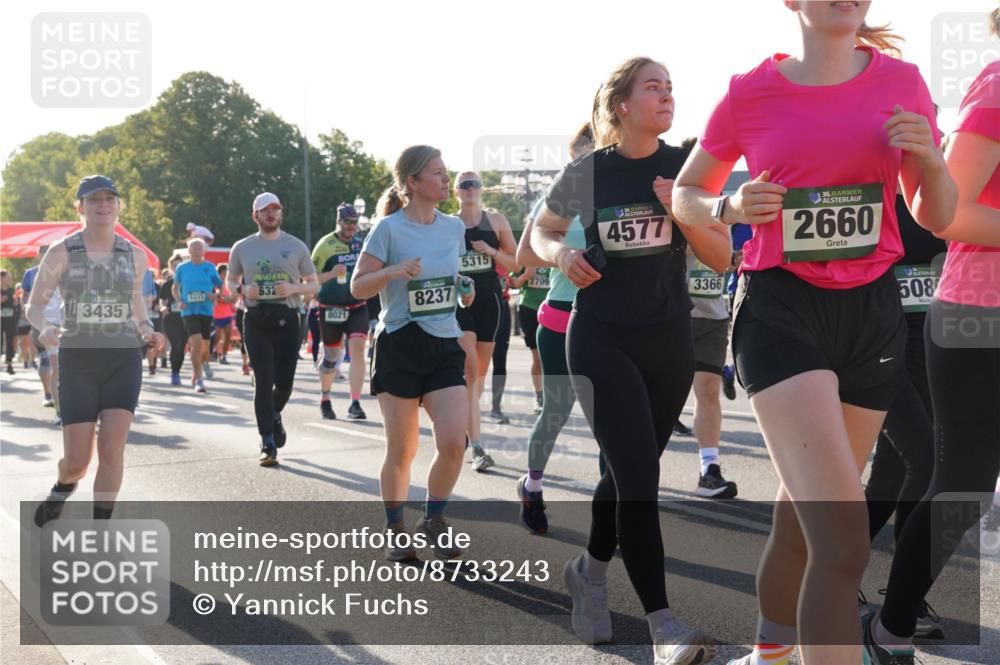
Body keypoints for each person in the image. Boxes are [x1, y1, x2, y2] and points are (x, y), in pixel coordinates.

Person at [672, 4, 957, 662]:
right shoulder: (750, 92)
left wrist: (934, 163)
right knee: (842, 538)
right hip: (782, 312)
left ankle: (768, 653)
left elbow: (938, 214)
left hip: (872, 315)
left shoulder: (903, 82)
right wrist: (727, 207)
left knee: (801, 520)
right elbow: (687, 192)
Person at [529, 58, 731, 665]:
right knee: (641, 479)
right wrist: (560, 255)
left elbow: (721, 258)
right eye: (653, 87)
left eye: (670, 88)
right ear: (621, 104)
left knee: (625, 472)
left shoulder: (686, 167)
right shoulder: (589, 171)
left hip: (669, 336)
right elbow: (539, 231)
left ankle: (588, 572)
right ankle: (664, 624)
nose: (666, 96)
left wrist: (681, 213)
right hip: (599, 337)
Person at [866, 11, 999, 664]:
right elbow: (945, 211)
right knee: (963, 483)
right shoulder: (997, 88)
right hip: (982, 316)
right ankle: (888, 629)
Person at [352, 145, 475, 561]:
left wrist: (464, 287)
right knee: (402, 450)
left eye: (446, 172)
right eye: (438, 173)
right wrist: (391, 271)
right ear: (413, 183)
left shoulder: (454, 228)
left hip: (444, 342)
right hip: (399, 344)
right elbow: (358, 286)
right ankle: (396, 530)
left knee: (453, 442)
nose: (446, 179)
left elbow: (454, 275)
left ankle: (434, 520)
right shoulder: (387, 229)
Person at [29, 175, 165, 526]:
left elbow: (134, 301)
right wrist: (44, 328)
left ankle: (100, 530)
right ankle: (62, 488)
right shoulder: (62, 251)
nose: (103, 205)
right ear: (80, 208)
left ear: (118, 206)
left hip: (122, 358)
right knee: (77, 462)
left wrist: (149, 329)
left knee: (111, 448)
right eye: (94, 200)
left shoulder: (134, 256)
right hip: (78, 360)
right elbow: (35, 305)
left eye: (110, 199)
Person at [515, 123, 598, 535]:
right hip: (562, 314)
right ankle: (532, 485)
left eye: (592, 157)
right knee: (558, 410)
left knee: (609, 416)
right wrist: (566, 256)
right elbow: (524, 253)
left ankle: (610, 507)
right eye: (577, 160)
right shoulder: (559, 198)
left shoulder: (622, 195)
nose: (583, 167)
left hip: (609, 318)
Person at [227, 192, 319, 466]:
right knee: (263, 382)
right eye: (265, 210)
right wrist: (243, 289)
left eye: (276, 209)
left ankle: (274, 415)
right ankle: (267, 442)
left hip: (287, 318)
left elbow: (314, 284)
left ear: (281, 214)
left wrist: (294, 288)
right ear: (255, 216)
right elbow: (230, 282)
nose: (271, 214)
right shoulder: (242, 247)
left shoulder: (296, 246)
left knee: (285, 385)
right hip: (256, 319)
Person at [454, 170, 518, 472]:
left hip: (491, 300)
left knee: (478, 376)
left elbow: (517, 261)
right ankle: (477, 446)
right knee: (469, 371)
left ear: (481, 190)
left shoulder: (496, 221)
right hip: (460, 302)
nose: (470, 188)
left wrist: (491, 251)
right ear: (456, 192)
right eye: (464, 185)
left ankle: (468, 423)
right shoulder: (449, 225)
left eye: (474, 184)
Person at [685, 248, 739, 499]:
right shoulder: (678, 208)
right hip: (674, 314)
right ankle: (637, 470)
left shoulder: (727, 214)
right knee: (662, 393)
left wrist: (736, 257)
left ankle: (709, 470)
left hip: (713, 315)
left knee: (708, 389)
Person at [311, 203, 370, 420]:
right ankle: (325, 398)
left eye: (354, 223)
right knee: (330, 358)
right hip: (331, 307)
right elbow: (310, 278)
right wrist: (332, 273)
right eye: (347, 223)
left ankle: (355, 403)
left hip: (356, 306)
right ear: (339, 222)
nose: (351, 227)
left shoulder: (359, 243)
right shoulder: (325, 245)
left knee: (358, 350)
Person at [173, 237, 223, 393]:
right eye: (193, 248)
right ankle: (200, 380)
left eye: (199, 248)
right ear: (189, 251)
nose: (196, 251)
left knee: (204, 347)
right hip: (188, 310)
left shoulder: (210, 267)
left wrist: (216, 295)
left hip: (206, 310)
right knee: (196, 342)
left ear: (204, 251)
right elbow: (175, 288)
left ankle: (197, 371)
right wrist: (179, 300)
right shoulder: (182, 268)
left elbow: (220, 286)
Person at [511, 262, 548, 416]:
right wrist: (526, 275)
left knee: (552, 357)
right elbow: (514, 283)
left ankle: (553, 397)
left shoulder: (555, 252)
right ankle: (540, 397)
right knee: (538, 357)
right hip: (529, 310)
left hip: (551, 309)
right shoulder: (527, 255)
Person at [487, 264, 514, 422]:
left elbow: (516, 269)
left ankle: (496, 408)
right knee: (472, 363)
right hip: (482, 307)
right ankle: (466, 407)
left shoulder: (503, 255)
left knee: (500, 360)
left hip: (503, 307)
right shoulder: (478, 250)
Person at [213, 264, 237, 364]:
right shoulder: (215, 285)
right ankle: (213, 351)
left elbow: (233, 298)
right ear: (219, 274)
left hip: (227, 315)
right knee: (217, 337)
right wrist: (226, 300)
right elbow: (217, 298)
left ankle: (224, 355)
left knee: (228, 336)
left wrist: (225, 299)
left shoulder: (229, 285)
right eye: (223, 273)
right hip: (217, 315)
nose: (225, 275)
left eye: (226, 273)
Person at [1, 270, 18, 374]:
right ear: (1, 278)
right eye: (7, 277)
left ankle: (9, 365)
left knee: (10, 341)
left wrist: (16, 302)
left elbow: (15, 304)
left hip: (10, 319)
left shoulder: (12, 291)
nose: (9, 279)